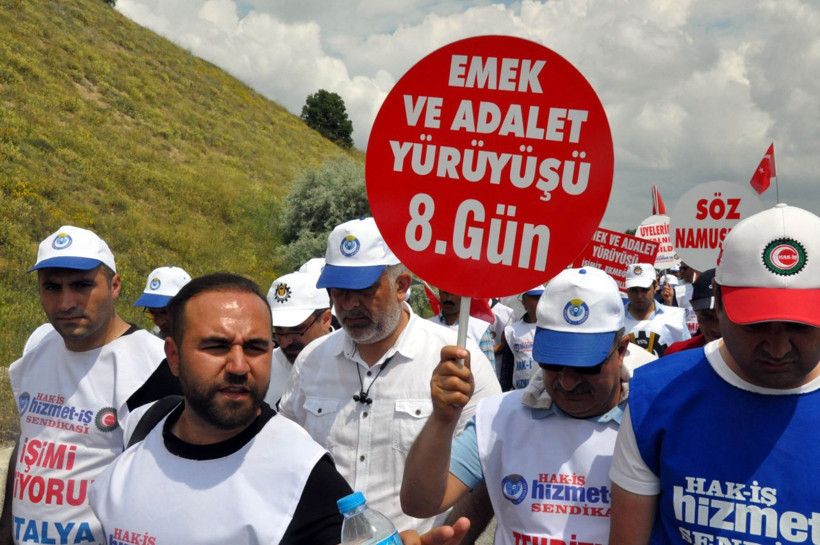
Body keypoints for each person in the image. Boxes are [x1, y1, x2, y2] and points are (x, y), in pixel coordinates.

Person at [89, 273, 470, 545]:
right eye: (217, 347)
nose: (239, 366)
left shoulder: (302, 470)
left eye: (256, 348)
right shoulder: (144, 423)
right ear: (173, 356)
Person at [608, 203, 820, 545]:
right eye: (757, 325)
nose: (778, 348)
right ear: (718, 303)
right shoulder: (657, 395)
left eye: (800, 326)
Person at [278, 217, 501, 534]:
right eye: (338, 292)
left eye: (364, 290)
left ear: (401, 286)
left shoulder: (459, 362)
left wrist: (454, 538)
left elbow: (487, 468)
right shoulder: (311, 361)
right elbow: (287, 458)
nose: (349, 304)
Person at [401, 267, 631, 544]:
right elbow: (420, 503)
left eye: (586, 366)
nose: (567, 382)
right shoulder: (498, 417)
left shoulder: (650, 421)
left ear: (621, 350)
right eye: (553, 362)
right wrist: (441, 420)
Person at [1, 226, 176, 545]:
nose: (65, 303)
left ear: (114, 285)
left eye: (81, 285)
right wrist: (6, 528)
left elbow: (165, 490)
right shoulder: (39, 347)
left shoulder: (153, 369)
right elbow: (29, 442)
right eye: (52, 287)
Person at [265, 269, 333, 406]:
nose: (285, 341)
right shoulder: (262, 369)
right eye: (278, 330)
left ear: (326, 319)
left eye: (297, 329)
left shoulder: (356, 365)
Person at [623, 262, 690, 357]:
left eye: (644, 289)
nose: (639, 295)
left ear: (656, 287)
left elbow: (686, 356)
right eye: (633, 290)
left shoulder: (676, 318)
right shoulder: (614, 321)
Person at [428, 289, 495, 363]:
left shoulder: (480, 331)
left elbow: (488, 371)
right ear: (439, 292)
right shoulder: (426, 326)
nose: (448, 298)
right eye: (445, 292)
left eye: (454, 293)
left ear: (464, 295)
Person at [497, 285, 544, 391]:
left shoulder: (552, 329)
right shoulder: (512, 331)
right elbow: (507, 368)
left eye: (542, 297)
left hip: (544, 393)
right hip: (518, 394)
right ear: (524, 302)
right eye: (536, 298)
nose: (540, 302)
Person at [664, 268, 720, 355]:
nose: (716, 328)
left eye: (724, 317)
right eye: (707, 316)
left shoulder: (749, 354)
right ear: (692, 305)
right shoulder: (677, 354)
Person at [133, 265, 192, 339]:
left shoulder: (208, 337)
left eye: (165, 312)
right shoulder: (156, 338)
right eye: (152, 313)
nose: (159, 322)